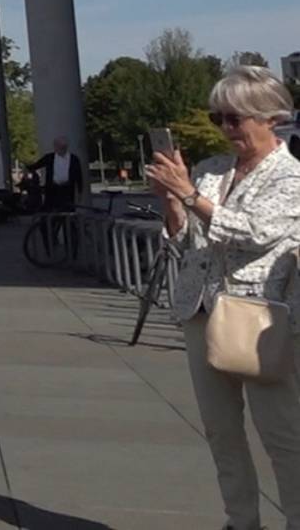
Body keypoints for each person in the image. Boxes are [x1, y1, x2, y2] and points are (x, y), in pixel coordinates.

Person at [146, 65, 300, 530]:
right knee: (220, 431)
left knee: (282, 434)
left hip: (259, 316)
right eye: (218, 118)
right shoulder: (212, 170)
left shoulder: (291, 176)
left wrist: (190, 195)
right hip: (202, 310)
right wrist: (172, 201)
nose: (226, 128)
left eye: (235, 118)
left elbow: (254, 233)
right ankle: (241, 520)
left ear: (271, 117)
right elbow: (185, 240)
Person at [28, 136, 87, 212]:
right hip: (52, 189)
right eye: (58, 146)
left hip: (67, 190)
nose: (61, 149)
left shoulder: (74, 159)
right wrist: (27, 169)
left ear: (66, 147)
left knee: (67, 210)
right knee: (50, 211)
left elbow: (79, 176)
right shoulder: (49, 158)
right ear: (55, 147)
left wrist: (80, 192)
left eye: (63, 147)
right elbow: (36, 165)